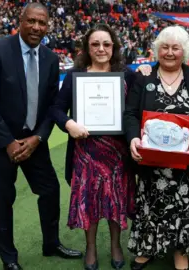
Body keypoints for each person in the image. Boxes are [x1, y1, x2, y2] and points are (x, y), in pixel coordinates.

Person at [0, 3, 82, 270]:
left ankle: (51, 243)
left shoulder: (50, 58)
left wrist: (38, 138)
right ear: (20, 21)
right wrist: (9, 142)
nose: (36, 27)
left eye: (42, 23)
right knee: (3, 200)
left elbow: (50, 105)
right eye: (31, 21)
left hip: (34, 141)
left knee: (50, 190)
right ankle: (9, 259)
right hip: (0, 144)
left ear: (48, 26)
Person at [124, 25, 189, 270]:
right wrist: (133, 138)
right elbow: (130, 113)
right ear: (157, 50)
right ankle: (148, 247)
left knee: (185, 208)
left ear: (184, 51)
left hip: (187, 162)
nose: (170, 52)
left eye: (176, 48)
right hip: (152, 161)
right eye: (165, 47)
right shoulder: (143, 76)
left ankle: (180, 251)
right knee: (150, 205)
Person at [49, 23, 136, 270]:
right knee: (89, 199)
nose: (101, 48)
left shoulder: (127, 75)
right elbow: (55, 109)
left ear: (114, 47)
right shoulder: (75, 76)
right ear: (87, 48)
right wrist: (69, 124)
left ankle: (116, 245)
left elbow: (137, 108)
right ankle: (91, 247)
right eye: (95, 44)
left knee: (116, 199)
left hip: (118, 151)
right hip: (85, 151)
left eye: (106, 44)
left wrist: (145, 72)